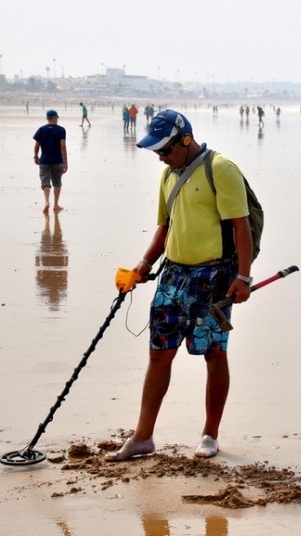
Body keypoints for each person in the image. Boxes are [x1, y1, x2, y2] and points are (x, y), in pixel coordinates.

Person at [107, 109, 253, 462]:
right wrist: (145, 263)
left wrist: (243, 276)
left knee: (215, 354)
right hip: (172, 278)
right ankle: (142, 438)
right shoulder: (168, 176)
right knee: (159, 354)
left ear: (185, 139)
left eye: (165, 150)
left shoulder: (221, 169)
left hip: (216, 281)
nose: (161, 158)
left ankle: (210, 434)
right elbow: (165, 226)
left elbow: (241, 227)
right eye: (156, 152)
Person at [33, 110, 68, 213]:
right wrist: (65, 162)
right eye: (57, 117)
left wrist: (35, 156)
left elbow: (36, 145)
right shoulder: (61, 130)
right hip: (57, 161)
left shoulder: (41, 129)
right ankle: (56, 205)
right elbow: (63, 146)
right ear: (54, 117)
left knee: (45, 182)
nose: (57, 119)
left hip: (44, 161)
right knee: (57, 183)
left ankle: (47, 202)